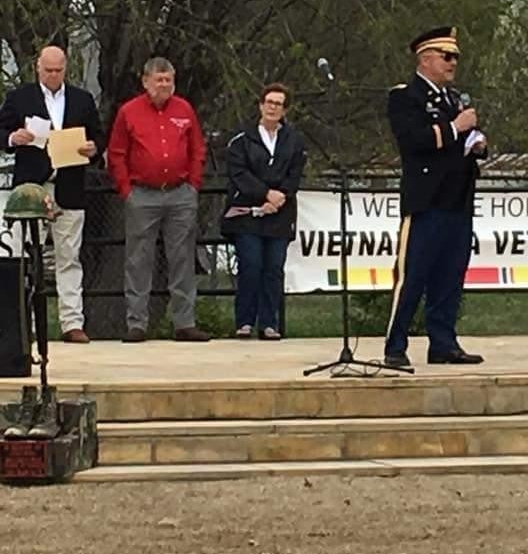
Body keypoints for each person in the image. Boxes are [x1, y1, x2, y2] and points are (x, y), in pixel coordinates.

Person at [384, 27, 487, 368]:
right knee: (413, 275)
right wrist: (457, 128)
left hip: (457, 199)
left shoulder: (453, 98)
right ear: (425, 59)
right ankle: (395, 344)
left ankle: (443, 342)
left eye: (455, 56)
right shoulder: (405, 97)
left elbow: (460, 141)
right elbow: (415, 141)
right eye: (446, 56)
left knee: (450, 276)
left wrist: (476, 143)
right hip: (427, 200)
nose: (452, 62)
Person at [0, 46, 104, 343]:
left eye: (59, 70)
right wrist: (13, 138)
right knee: (25, 256)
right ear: (38, 67)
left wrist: (93, 148)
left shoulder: (82, 100)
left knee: (69, 256)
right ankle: (25, 324)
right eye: (48, 70)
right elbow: (1, 130)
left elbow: (98, 136)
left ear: (66, 68)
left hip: (69, 186)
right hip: (32, 189)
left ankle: (72, 322)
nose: (54, 75)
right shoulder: (20, 98)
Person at [107, 57, 210, 342]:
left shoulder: (184, 109)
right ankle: (137, 323)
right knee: (139, 259)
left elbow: (197, 149)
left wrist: (193, 184)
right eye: (159, 80)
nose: (164, 85)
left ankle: (184, 323)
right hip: (142, 194)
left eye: (168, 80)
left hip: (180, 193)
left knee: (183, 258)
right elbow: (116, 153)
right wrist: (126, 190)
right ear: (145, 81)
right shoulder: (129, 112)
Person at [221, 83, 306, 340]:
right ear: (260, 105)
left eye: (278, 104)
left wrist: (279, 197)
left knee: (273, 269)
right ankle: (244, 321)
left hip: (280, 214)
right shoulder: (241, 139)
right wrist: (264, 194)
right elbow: (238, 173)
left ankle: (269, 323)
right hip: (248, 213)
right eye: (269, 102)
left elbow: (295, 172)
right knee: (251, 265)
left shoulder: (294, 140)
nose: (273, 107)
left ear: (285, 109)